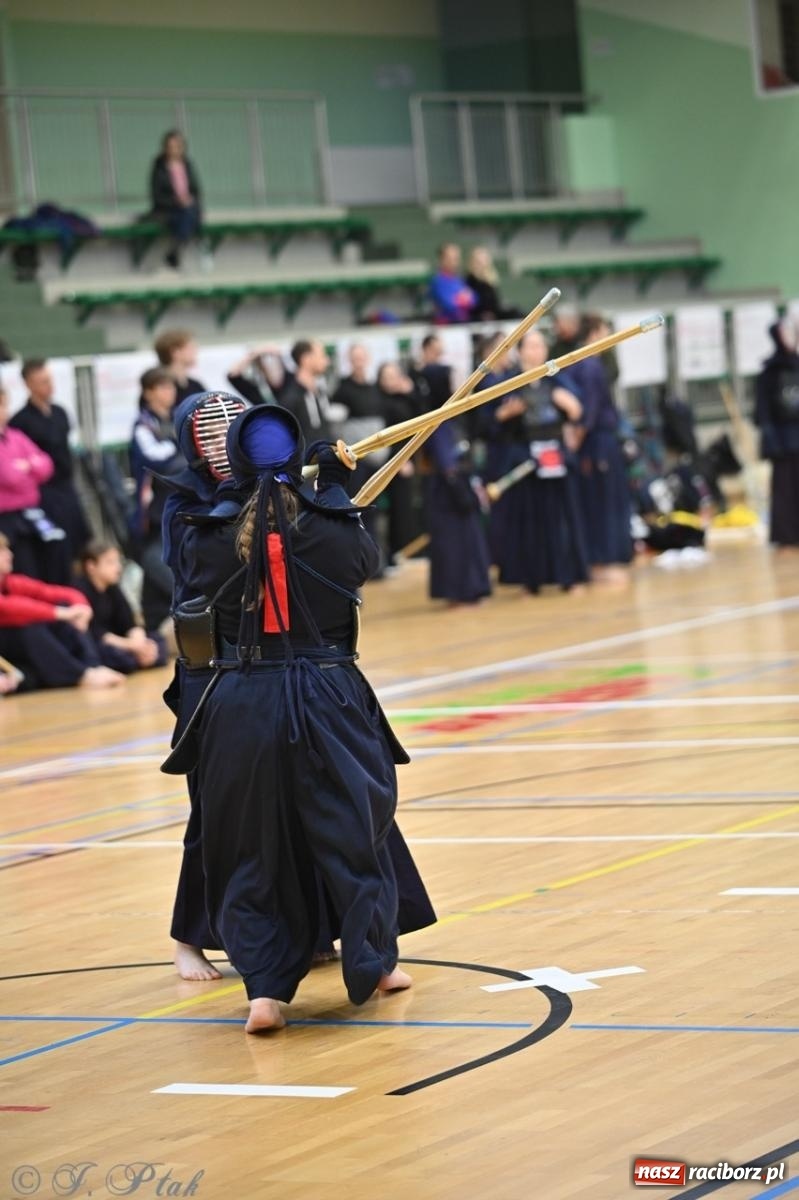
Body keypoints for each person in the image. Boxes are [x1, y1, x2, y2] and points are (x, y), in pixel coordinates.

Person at [177, 405, 431, 1031]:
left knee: (249, 853)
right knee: (354, 836)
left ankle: (265, 993)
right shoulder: (336, 527)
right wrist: (335, 489)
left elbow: (198, 583)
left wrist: (266, 493)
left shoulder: (204, 537)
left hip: (241, 703)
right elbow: (360, 563)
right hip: (329, 696)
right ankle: (374, 963)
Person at [482, 330, 587, 594]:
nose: (537, 351)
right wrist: (503, 414)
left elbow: (577, 412)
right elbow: (488, 425)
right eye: (531, 346)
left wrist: (572, 408)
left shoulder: (558, 380)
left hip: (555, 457)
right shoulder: (509, 382)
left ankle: (568, 576)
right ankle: (532, 580)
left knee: (561, 517)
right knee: (529, 520)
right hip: (525, 458)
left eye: (541, 345)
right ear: (521, 351)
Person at [0, 533, 123, 690]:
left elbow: (58, 592)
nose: (10, 554)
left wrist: (81, 607)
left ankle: (93, 666)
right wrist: (61, 613)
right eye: (2, 551)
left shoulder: (11, 582)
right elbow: (9, 607)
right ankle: (82, 675)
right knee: (30, 629)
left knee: (65, 611)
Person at [567, 316, 632, 580]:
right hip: (597, 442)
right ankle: (605, 557)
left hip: (597, 438)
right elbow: (589, 412)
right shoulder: (589, 366)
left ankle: (606, 555)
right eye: (605, 332)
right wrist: (576, 440)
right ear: (594, 334)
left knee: (602, 498)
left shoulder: (583, 364)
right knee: (603, 499)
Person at [9, 359, 92, 564]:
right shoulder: (21, 421)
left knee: (81, 538)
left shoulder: (60, 412)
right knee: (58, 544)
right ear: (28, 384)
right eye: (42, 381)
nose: (49, 386)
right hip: (44, 492)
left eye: (49, 380)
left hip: (67, 485)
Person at [129, 367, 184, 630]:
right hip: (154, 509)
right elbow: (156, 459)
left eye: (171, 387)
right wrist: (176, 448)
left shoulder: (176, 419)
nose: (169, 393)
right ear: (149, 393)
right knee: (158, 560)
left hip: (178, 503)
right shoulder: (143, 425)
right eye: (162, 387)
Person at [0, 387, 71, 584]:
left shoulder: (16, 436)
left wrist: (27, 465)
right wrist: (30, 465)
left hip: (32, 512)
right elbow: (9, 476)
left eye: (4, 404)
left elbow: (46, 466)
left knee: (57, 544)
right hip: (7, 519)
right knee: (24, 564)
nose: (3, 411)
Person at [76, 540, 166, 674]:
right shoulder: (80, 591)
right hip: (103, 643)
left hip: (123, 641)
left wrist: (140, 643)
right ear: (91, 566)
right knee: (113, 655)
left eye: (118, 562)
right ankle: (139, 659)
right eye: (110, 562)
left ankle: (141, 658)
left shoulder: (113, 587)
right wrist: (132, 646)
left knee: (157, 640)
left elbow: (129, 622)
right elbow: (97, 634)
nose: (118, 568)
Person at [755, 319, 799, 549]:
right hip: (782, 438)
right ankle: (786, 535)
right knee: (784, 488)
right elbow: (762, 411)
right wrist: (770, 439)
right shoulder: (770, 372)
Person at [376, 361, 425, 564]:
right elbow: (385, 436)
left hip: (412, 457)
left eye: (395, 375)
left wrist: (412, 392)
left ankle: (413, 548)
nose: (392, 380)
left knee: (412, 505)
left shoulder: (405, 398)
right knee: (399, 506)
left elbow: (422, 417)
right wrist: (399, 460)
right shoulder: (380, 402)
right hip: (393, 460)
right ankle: (399, 550)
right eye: (387, 377)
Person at [149, 130, 202, 270]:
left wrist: (189, 200)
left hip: (188, 209)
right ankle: (175, 251)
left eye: (178, 146)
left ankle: (175, 251)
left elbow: (196, 190)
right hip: (168, 210)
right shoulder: (159, 167)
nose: (175, 150)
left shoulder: (187, 165)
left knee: (189, 211)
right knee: (188, 213)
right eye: (171, 146)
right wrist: (177, 201)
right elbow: (157, 197)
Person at [280, 340, 339, 442]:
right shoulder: (291, 398)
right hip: (308, 456)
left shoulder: (320, 392)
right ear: (306, 359)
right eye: (322, 355)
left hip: (327, 454)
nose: (327, 360)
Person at [466, 247, 521, 322]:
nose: (483, 264)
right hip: (482, 316)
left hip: (495, 313)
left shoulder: (490, 279)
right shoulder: (470, 280)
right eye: (479, 261)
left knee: (516, 312)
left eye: (484, 260)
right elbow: (476, 304)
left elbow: (495, 301)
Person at [154, 329, 206, 406]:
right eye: (190, 347)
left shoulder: (196, 385)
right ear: (175, 352)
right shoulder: (159, 387)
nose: (196, 351)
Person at [429, 244, 476, 324]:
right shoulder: (437, 281)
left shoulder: (460, 280)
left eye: (456, 258)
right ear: (442, 259)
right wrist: (463, 299)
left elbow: (474, 300)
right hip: (446, 326)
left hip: (464, 323)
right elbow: (448, 304)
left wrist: (460, 299)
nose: (454, 262)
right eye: (450, 258)